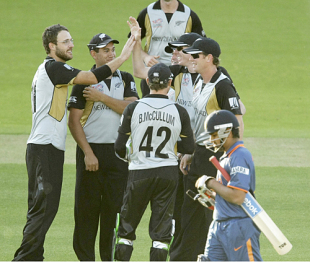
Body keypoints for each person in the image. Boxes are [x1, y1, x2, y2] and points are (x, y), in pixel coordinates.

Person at [13, 24, 136, 261]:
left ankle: (33, 257)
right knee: (43, 210)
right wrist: (123, 56)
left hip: (47, 148)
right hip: (44, 148)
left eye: (71, 40)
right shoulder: (54, 68)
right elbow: (90, 78)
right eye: (65, 41)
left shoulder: (51, 69)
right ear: (52, 46)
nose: (71, 45)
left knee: (44, 210)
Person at [169, 37, 245, 261]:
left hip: (216, 158)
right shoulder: (200, 82)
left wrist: (234, 159)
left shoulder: (223, 85)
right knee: (190, 211)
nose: (190, 59)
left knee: (209, 213)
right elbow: (198, 123)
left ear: (209, 58)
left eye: (195, 56)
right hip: (200, 155)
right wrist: (191, 152)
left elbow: (237, 122)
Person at [67, 33, 139, 261]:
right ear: (93, 54)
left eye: (112, 49)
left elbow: (132, 109)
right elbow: (73, 121)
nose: (111, 53)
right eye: (105, 50)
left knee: (114, 210)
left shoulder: (126, 78)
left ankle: (108, 258)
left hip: (118, 154)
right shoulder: (83, 81)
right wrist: (87, 153)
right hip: (91, 153)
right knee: (86, 211)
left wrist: (100, 97)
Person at [113, 63, 195, 261]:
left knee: (125, 231)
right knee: (161, 235)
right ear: (169, 83)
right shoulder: (179, 111)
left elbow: (119, 147)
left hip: (139, 172)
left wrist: (133, 158)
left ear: (148, 81)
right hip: (167, 174)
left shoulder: (133, 108)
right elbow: (189, 148)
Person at [195, 110, 262, 261]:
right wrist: (213, 197)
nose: (212, 140)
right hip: (219, 225)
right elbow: (229, 193)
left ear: (227, 131)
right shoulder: (227, 157)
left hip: (238, 227)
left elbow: (238, 196)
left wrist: (210, 182)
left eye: (214, 135)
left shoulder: (240, 155)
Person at [130, 0, 206, 97]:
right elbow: (133, 41)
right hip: (153, 72)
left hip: (181, 72)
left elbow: (201, 46)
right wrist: (145, 57)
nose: (174, 52)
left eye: (178, 48)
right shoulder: (147, 13)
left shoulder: (189, 15)